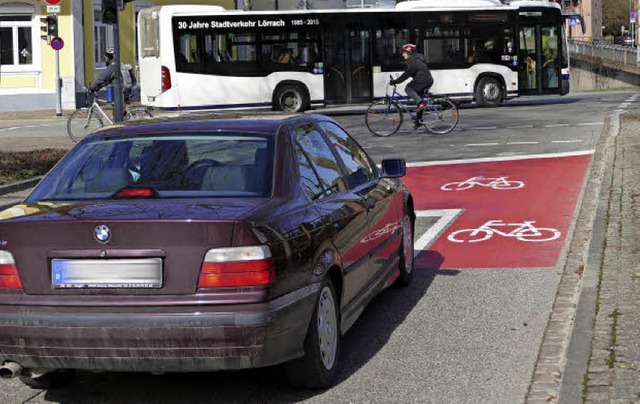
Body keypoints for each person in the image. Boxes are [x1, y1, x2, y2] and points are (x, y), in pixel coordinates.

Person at [390, 43, 434, 108]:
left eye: (404, 53)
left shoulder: (414, 62)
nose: (402, 55)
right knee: (418, 99)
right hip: (427, 80)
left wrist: (395, 81)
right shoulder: (416, 60)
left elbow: (405, 75)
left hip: (422, 81)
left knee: (408, 88)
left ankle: (420, 104)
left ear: (409, 53)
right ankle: (419, 117)